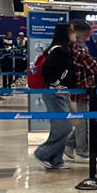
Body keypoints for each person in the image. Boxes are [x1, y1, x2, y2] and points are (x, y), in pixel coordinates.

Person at [33, 23, 76, 170]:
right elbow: (47, 69)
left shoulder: (62, 49)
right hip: (54, 93)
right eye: (72, 32)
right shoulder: (60, 50)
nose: (74, 35)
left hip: (59, 93)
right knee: (63, 126)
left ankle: (56, 160)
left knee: (63, 126)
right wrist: (56, 83)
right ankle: (43, 153)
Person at [63, 21, 97, 159]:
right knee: (83, 121)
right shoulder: (80, 49)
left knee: (82, 119)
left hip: (77, 87)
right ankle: (82, 150)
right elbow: (94, 68)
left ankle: (70, 145)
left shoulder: (71, 48)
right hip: (83, 88)